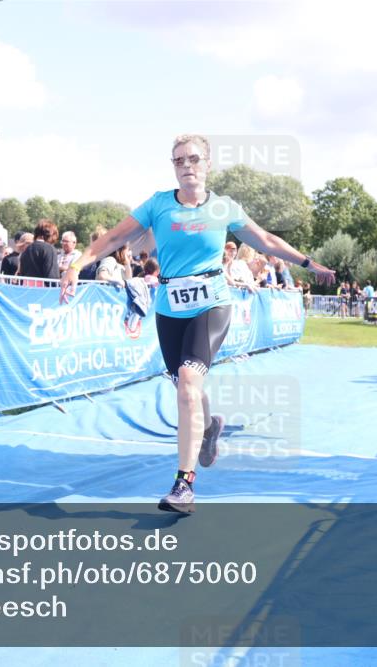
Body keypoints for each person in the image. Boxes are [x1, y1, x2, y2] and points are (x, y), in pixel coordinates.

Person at [59, 134, 335, 513]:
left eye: (193, 159)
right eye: (178, 161)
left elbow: (266, 239)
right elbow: (113, 238)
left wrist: (309, 263)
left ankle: (184, 484)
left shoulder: (224, 207)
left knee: (189, 381)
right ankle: (208, 427)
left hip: (213, 304)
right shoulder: (158, 204)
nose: (186, 166)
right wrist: (75, 265)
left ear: (207, 164)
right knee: (186, 386)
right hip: (170, 309)